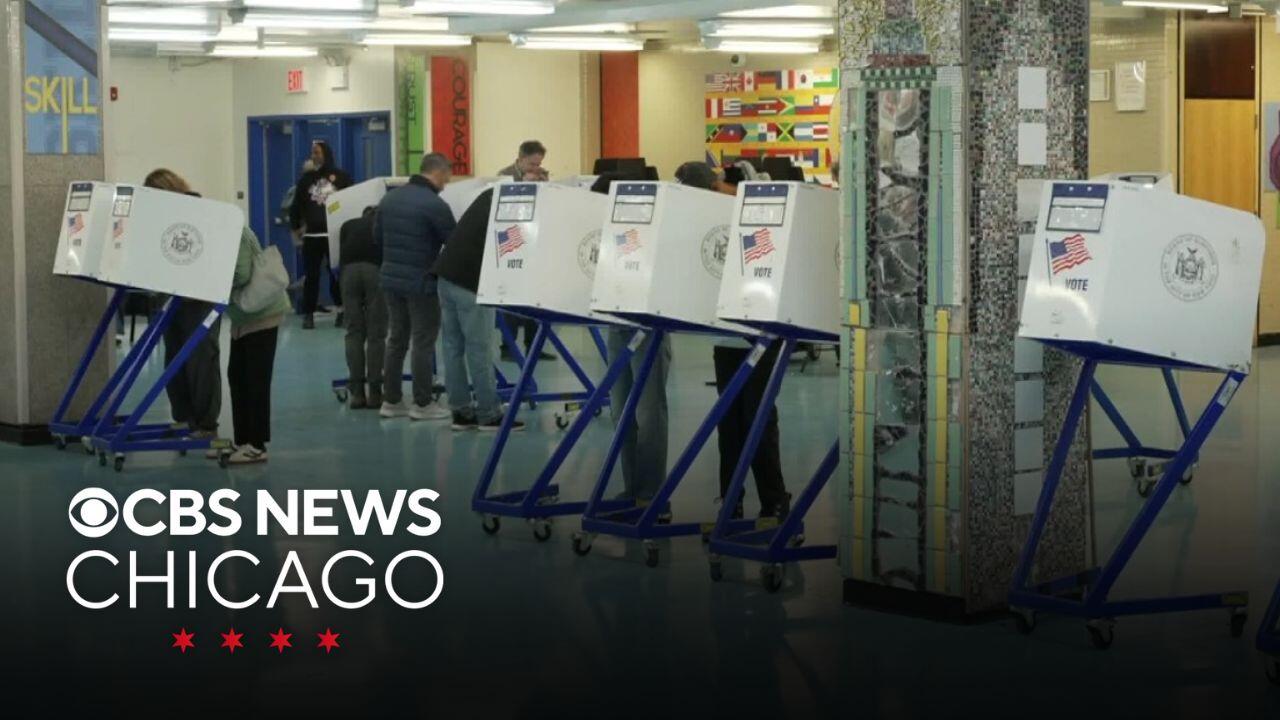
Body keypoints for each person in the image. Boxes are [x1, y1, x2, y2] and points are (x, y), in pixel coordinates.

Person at [696, 160, 792, 519]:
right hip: (727, 334)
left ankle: (774, 499)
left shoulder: (758, 216)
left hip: (760, 333)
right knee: (730, 419)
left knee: (758, 416)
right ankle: (731, 498)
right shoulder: (710, 222)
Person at [432, 177, 544, 432]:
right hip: (471, 283)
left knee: (452, 347)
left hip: (446, 275)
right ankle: (489, 414)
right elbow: (516, 247)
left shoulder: (489, 197)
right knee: (479, 349)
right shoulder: (518, 209)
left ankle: (460, 412)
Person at [590, 171, 672, 517]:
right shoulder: (608, 232)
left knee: (649, 412)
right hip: (617, 323)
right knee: (620, 410)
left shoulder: (646, 228)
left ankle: (652, 495)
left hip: (648, 327)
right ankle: (631, 488)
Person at [143, 169, 222, 445]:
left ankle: (206, 423)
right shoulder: (162, 215)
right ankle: (184, 417)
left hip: (199, 298)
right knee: (174, 360)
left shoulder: (196, 208)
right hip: (172, 296)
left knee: (200, 360)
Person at [377, 152, 455, 421]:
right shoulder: (434, 204)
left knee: (396, 339)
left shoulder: (389, 199)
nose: (447, 183)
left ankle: (391, 401)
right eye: (447, 177)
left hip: (390, 279)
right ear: (438, 172)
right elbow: (453, 242)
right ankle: (422, 403)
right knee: (423, 341)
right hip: (421, 281)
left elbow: (377, 237)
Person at [225, 222, 294, 465]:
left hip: (261, 314)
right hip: (244, 317)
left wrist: (214, 281)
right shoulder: (227, 231)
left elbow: (241, 273)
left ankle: (256, 444)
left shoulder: (235, 232)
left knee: (256, 379)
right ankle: (242, 440)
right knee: (237, 376)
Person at [497, 140, 554, 361]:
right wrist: (523, 185)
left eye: (539, 164)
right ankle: (508, 348)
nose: (536, 168)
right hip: (512, 244)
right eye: (532, 164)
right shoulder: (504, 176)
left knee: (535, 298)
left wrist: (546, 188)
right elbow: (503, 209)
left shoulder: (542, 175)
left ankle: (534, 347)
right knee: (511, 300)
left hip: (534, 242)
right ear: (520, 159)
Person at [290, 140, 352, 330]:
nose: (313, 156)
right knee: (311, 277)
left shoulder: (341, 177)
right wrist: (295, 227)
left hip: (334, 235)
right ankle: (308, 314)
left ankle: (341, 310)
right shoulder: (306, 180)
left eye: (317, 152)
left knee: (336, 275)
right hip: (312, 236)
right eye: (312, 153)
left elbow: (351, 200)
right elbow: (296, 205)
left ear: (326, 154)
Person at [339, 205, 387, 410]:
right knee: (376, 334)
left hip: (348, 273)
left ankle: (357, 394)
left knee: (354, 332)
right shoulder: (383, 226)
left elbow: (339, 255)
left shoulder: (348, 225)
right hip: (374, 271)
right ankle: (375, 394)